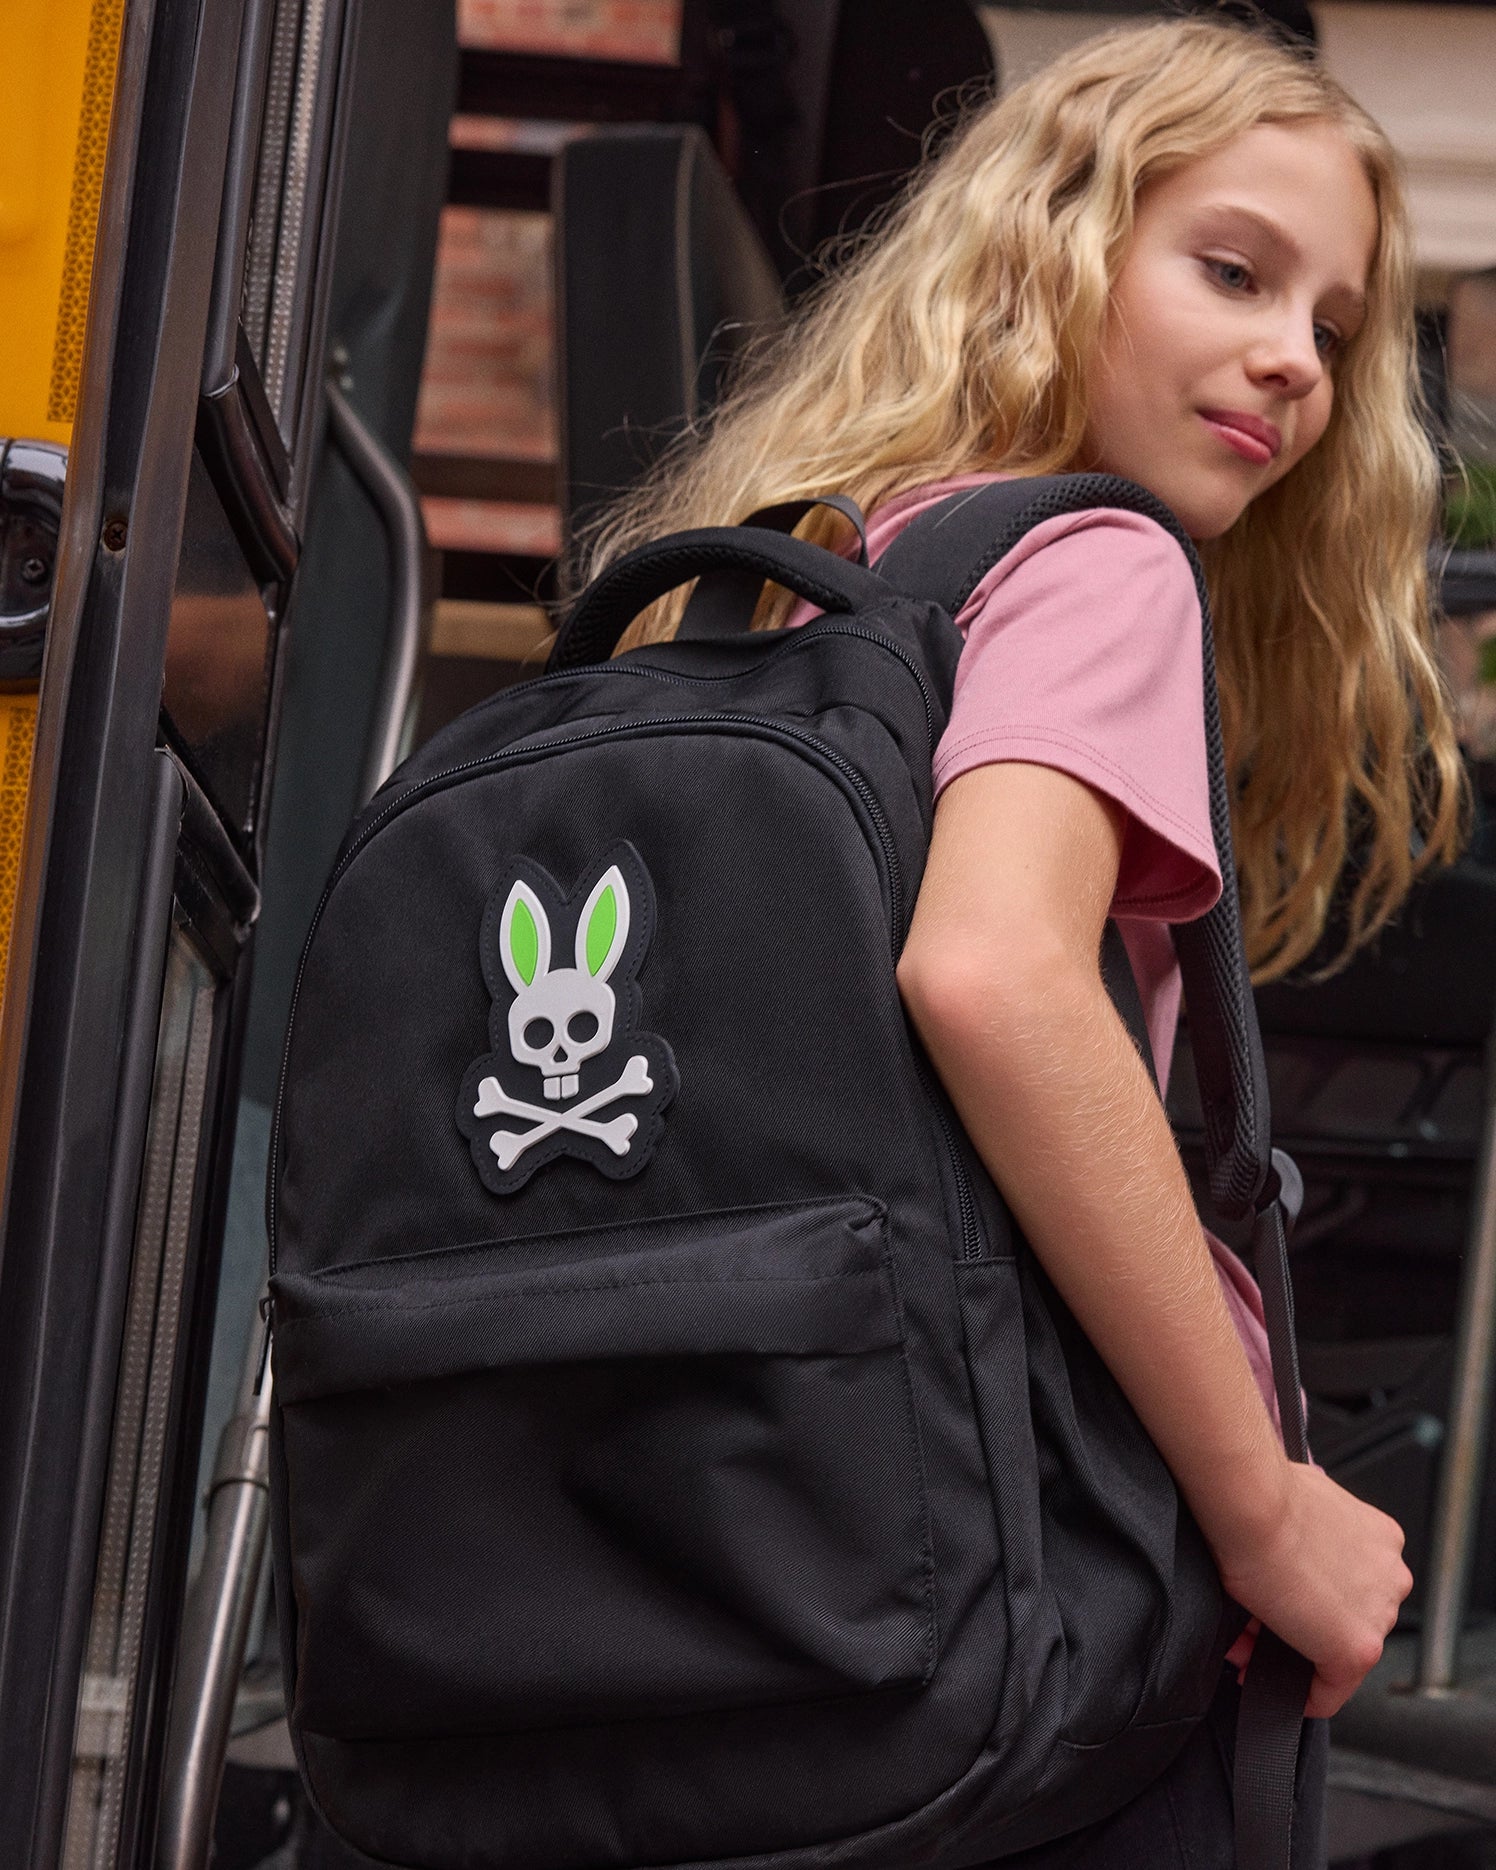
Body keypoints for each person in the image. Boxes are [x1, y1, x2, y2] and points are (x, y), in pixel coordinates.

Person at [581, 17, 1465, 1862]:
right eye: (1232, 269)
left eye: (1336, 325)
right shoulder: (1097, 564)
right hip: (1018, 1543)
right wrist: (1262, 1503)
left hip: (728, 1519)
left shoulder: (800, 559)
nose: (1292, 357)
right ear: (1059, 240)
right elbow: (991, 975)